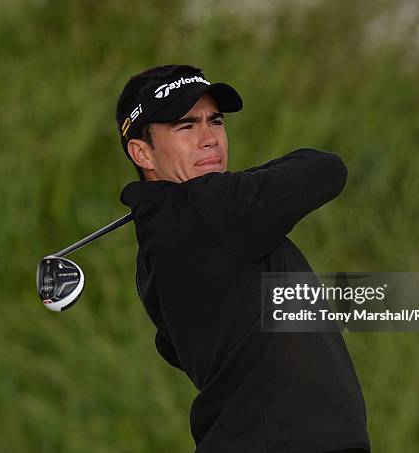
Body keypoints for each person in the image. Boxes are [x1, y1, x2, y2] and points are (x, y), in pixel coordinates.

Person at [116, 64, 371, 453]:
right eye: (185, 127)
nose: (209, 139)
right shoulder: (209, 206)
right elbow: (324, 168)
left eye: (214, 122)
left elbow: (172, 347)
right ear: (142, 152)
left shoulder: (155, 249)